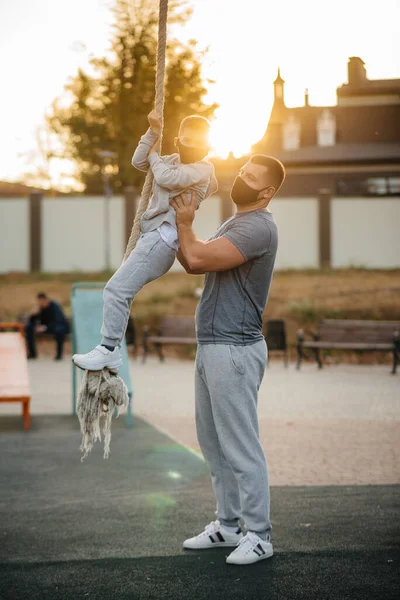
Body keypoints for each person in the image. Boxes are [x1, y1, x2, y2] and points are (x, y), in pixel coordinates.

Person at [171, 154, 285, 566]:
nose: (241, 179)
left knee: (240, 446)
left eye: (251, 177)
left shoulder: (257, 226)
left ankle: (259, 535)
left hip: (234, 348)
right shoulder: (235, 222)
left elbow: (197, 257)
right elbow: (191, 261)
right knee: (214, 446)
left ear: (267, 191)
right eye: (241, 172)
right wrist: (176, 223)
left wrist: (185, 224)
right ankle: (229, 526)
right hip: (213, 346)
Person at [72, 111, 217, 371]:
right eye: (188, 139)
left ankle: (108, 349)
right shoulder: (170, 160)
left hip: (162, 239)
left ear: (207, 147)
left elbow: (166, 178)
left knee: (116, 290)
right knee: (121, 291)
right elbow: (138, 161)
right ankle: (110, 351)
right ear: (177, 140)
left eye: (199, 142)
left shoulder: (204, 169)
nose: (192, 146)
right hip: (150, 236)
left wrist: (153, 156)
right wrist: (152, 133)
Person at [26, 293, 69, 360]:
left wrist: (45, 327)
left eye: (42, 301)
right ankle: (32, 354)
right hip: (44, 328)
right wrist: (33, 315)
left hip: (54, 327)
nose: (41, 303)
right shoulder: (40, 308)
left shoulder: (54, 306)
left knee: (59, 330)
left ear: (45, 300)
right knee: (28, 328)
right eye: (39, 301)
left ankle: (59, 354)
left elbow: (58, 320)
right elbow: (33, 321)